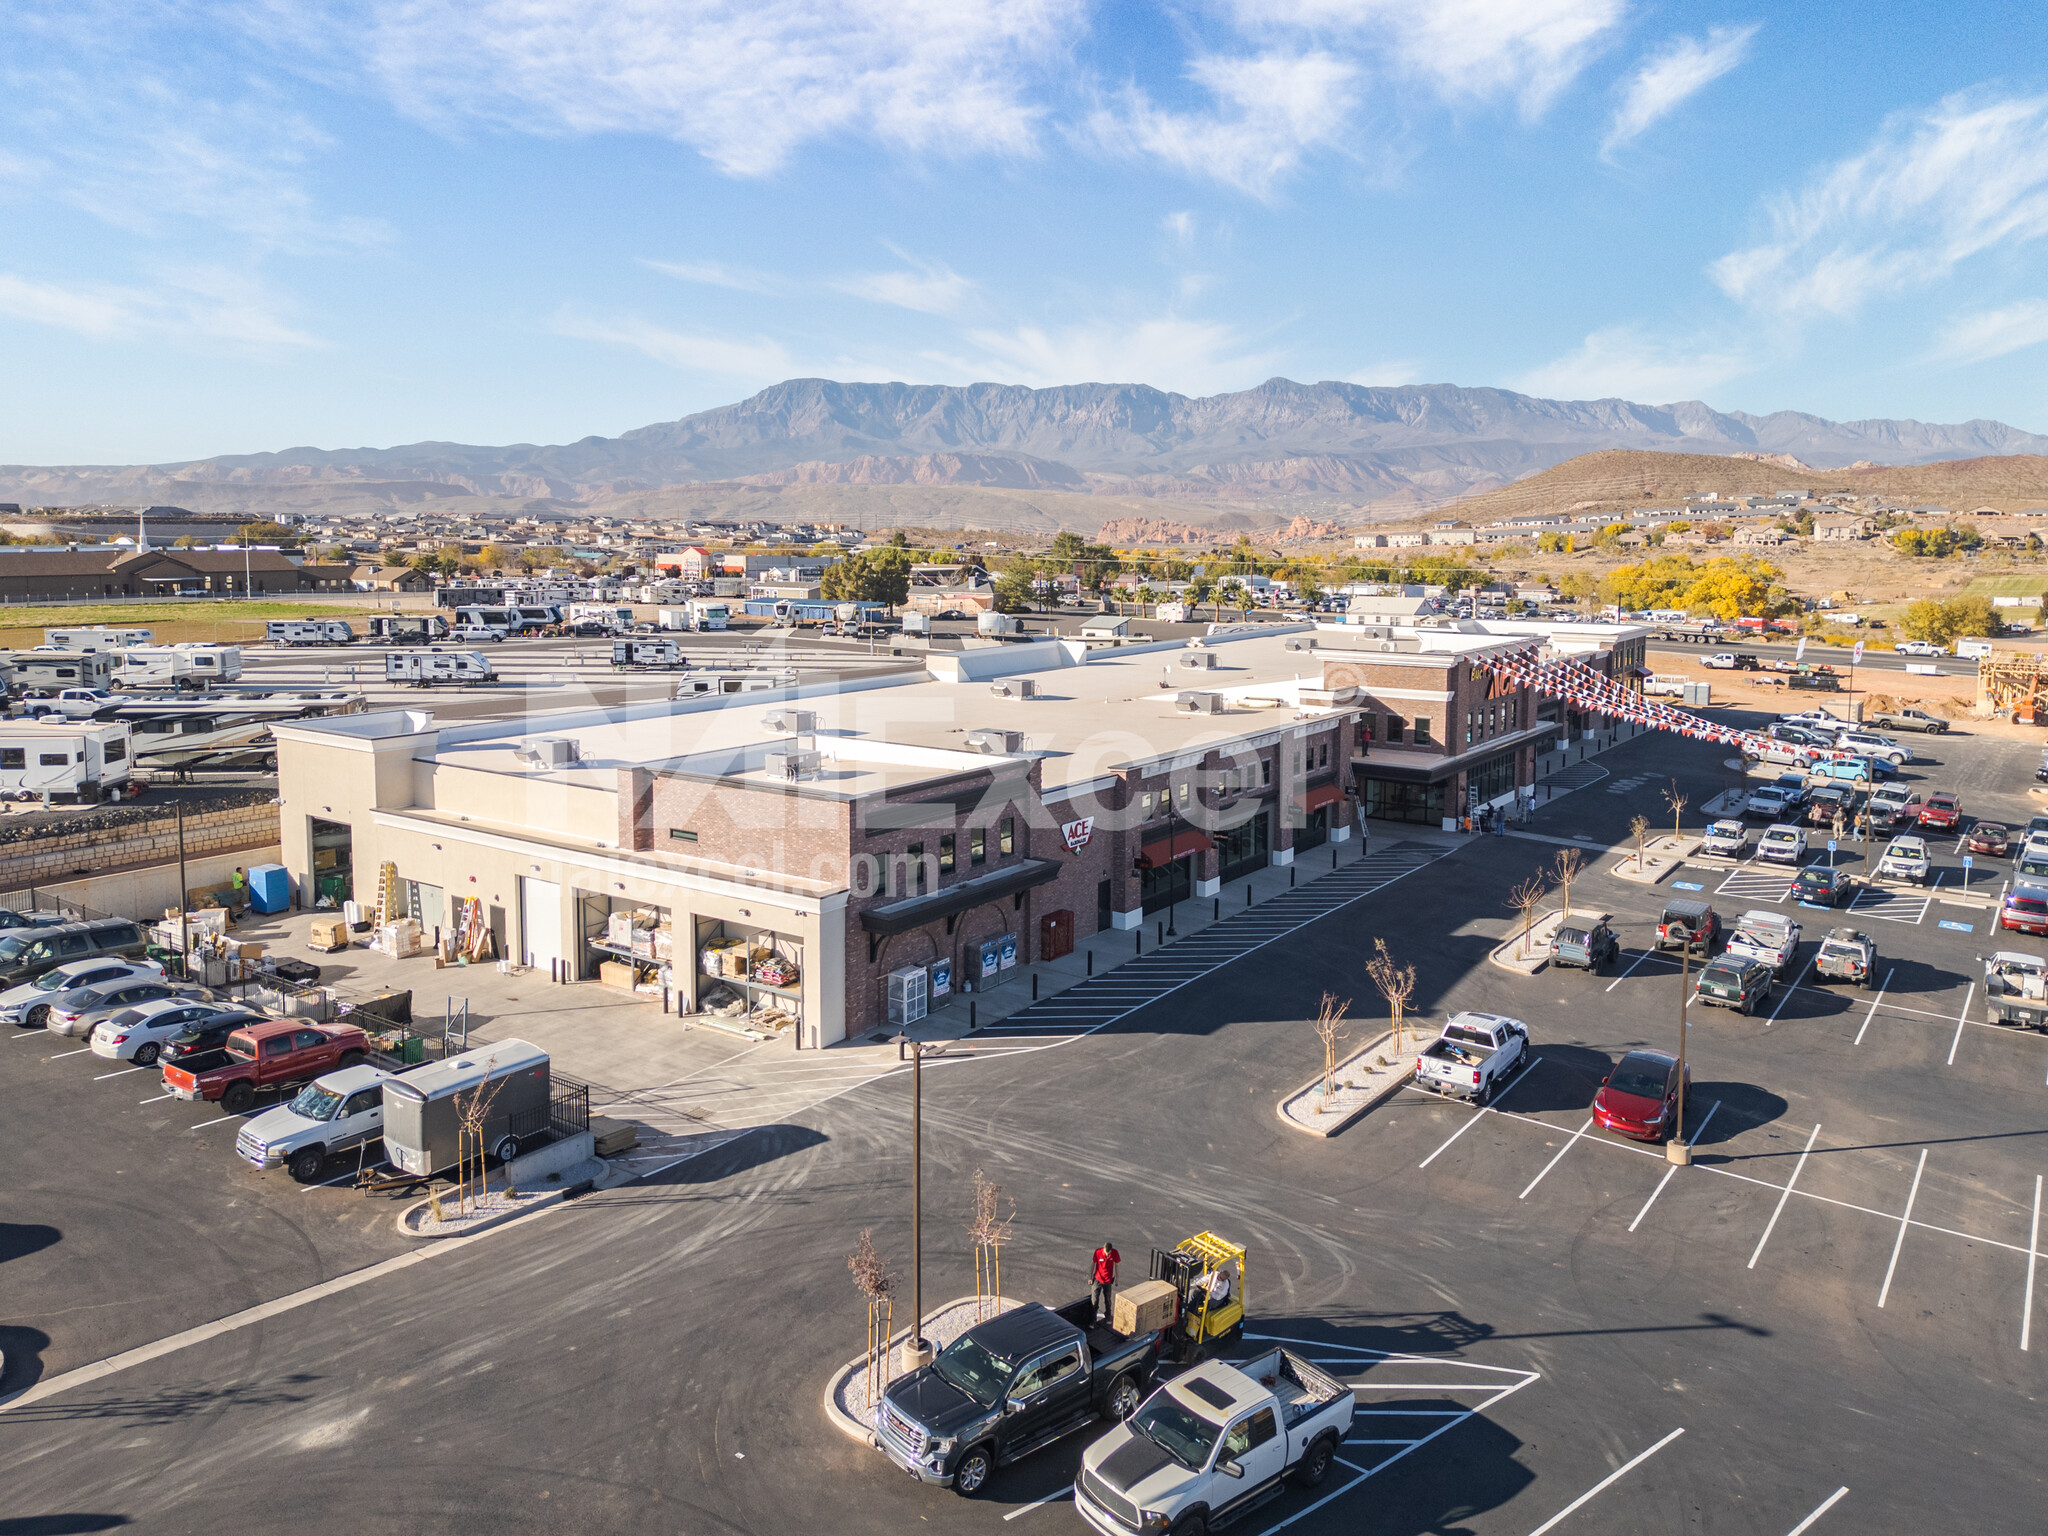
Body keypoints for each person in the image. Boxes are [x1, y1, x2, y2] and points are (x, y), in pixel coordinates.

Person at [1091, 1240, 1120, 1322]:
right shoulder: (1098, 1252)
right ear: (1103, 1249)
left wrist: (1117, 1278)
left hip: (1108, 1280)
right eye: (1106, 1253)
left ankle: (1108, 1315)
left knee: (1108, 1299)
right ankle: (1093, 1319)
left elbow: (1117, 1266)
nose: (1107, 1255)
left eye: (1109, 1253)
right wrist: (1090, 1277)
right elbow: (1093, 1264)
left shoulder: (1115, 1253)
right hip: (1098, 1279)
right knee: (1095, 1300)